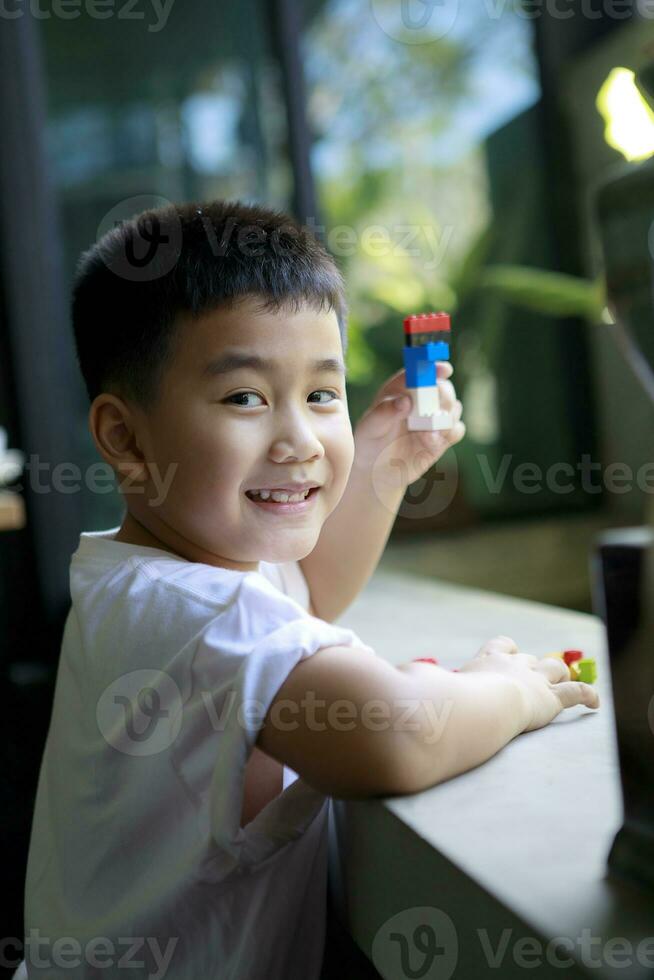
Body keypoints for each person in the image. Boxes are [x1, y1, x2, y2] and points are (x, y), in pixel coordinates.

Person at [15, 200, 600, 980]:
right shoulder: (194, 611)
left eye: (322, 395)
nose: (299, 439)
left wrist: (385, 465)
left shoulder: (163, 575)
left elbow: (308, 593)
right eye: (246, 398)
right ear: (125, 438)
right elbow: (393, 734)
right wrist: (509, 690)